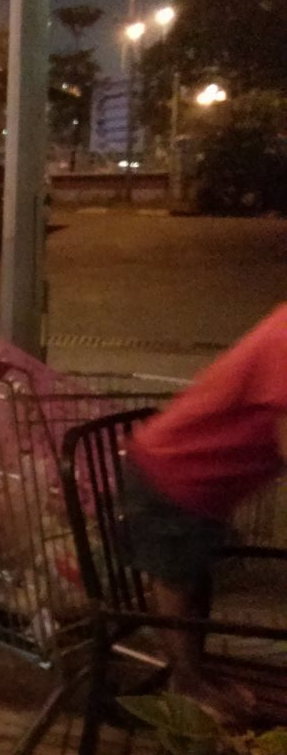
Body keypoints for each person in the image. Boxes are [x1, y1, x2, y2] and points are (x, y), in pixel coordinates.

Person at [123, 301, 287, 720]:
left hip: (198, 481)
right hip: (176, 472)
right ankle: (187, 686)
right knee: (176, 581)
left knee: (188, 582)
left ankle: (195, 678)